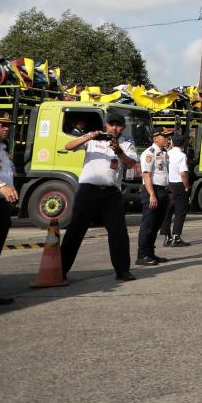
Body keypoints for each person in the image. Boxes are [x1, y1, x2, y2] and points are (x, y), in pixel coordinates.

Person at [60, 113, 138, 281]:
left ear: (123, 128)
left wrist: (118, 151)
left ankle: (123, 270)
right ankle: (60, 270)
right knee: (75, 231)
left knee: (118, 233)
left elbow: (130, 164)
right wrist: (88, 136)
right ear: (106, 126)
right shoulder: (93, 140)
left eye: (118, 125)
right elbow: (68, 146)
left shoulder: (126, 143)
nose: (114, 128)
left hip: (111, 193)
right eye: (111, 124)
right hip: (88, 191)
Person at [0, 111, 19, 304]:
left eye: (8, 125)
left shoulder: (2, 148)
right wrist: (1, 185)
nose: (6, 128)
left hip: (1, 207)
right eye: (2, 125)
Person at [135, 130, 172, 266]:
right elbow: (146, 175)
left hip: (162, 190)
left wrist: (169, 192)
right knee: (148, 224)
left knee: (156, 224)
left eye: (168, 137)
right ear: (156, 138)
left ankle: (150, 252)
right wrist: (152, 194)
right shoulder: (149, 152)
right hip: (152, 190)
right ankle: (142, 255)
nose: (167, 139)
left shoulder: (164, 153)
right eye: (165, 137)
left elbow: (165, 174)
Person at [163, 133, 192, 247]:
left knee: (167, 211)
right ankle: (176, 236)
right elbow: (183, 173)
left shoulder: (167, 154)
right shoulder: (182, 155)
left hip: (168, 184)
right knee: (180, 211)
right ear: (183, 143)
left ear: (172, 142)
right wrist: (186, 186)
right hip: (179, 184)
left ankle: (167, 237)